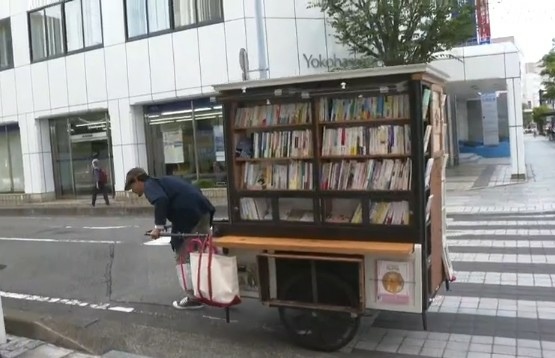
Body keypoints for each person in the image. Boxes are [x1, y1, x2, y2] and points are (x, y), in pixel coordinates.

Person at [125, 167, 215, 310]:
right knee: (201, 254)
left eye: (131, 187)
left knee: (182, 256)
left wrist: (158, 227)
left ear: (136, 180)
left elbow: (161, 200)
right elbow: (187, 194)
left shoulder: (150, 185)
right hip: (204, 210)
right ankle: (211, 290)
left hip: (190, 217)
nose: (133, 191)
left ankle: (193, 298)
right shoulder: (164, 180)